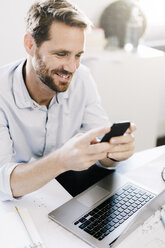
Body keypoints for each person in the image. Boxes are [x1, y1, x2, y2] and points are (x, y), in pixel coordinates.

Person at [0, 0, 136, 201]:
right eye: (61, 54)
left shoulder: (83, 78)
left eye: (78, 55)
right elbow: (5, 182)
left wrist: (114, 153)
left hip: (64, 193)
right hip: (18, 203)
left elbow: (102, 155)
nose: (71, 67)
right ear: (30, 44)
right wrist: (61, 161)